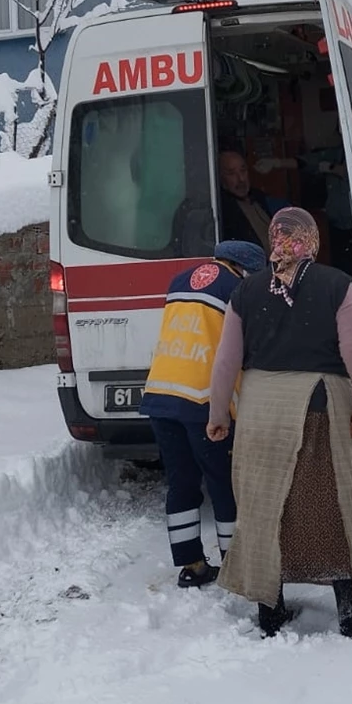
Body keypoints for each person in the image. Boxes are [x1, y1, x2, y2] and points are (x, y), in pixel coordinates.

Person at [207, 207, 352, 640]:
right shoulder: (336, 285)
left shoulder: (245, 291)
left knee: (267, 506)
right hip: (319, 407)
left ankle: (271, 610)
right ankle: (349, 611)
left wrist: (217, 415)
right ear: (310, 239)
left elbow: (226, 361)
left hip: (260, 412)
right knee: (331, 502)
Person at [139, 240, 267, 588]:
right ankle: (235, 563)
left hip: (162, 394)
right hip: (203, 400)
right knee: (223, 483)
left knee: (181, 483)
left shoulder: (179, 280)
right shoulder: (238, 289)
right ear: (244, 268)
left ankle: (192, 565)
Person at [255, 144, 352, 279]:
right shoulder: (336, 154)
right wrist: (276, 163)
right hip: (335, 226)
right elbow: (307, 162)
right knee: (341, 270)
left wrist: (334, 169)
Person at [219, 150, 284, 250]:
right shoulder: (223, 212)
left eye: (243, 170)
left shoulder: (260, 199)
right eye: (231, 173)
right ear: (221, 177)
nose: (241, 179)